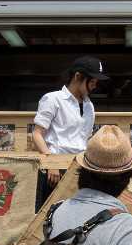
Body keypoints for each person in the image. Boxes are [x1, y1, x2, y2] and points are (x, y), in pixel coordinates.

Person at [32, 56, 108, 187]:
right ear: (77, 76)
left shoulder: (89, 106)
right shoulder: (52, 99)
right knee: (53, 207)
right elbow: (37, 134)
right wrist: (52, 163)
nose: (95, 86)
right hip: (55, 171)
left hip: (81, 169)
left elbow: (86, 138)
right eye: (92, 82)